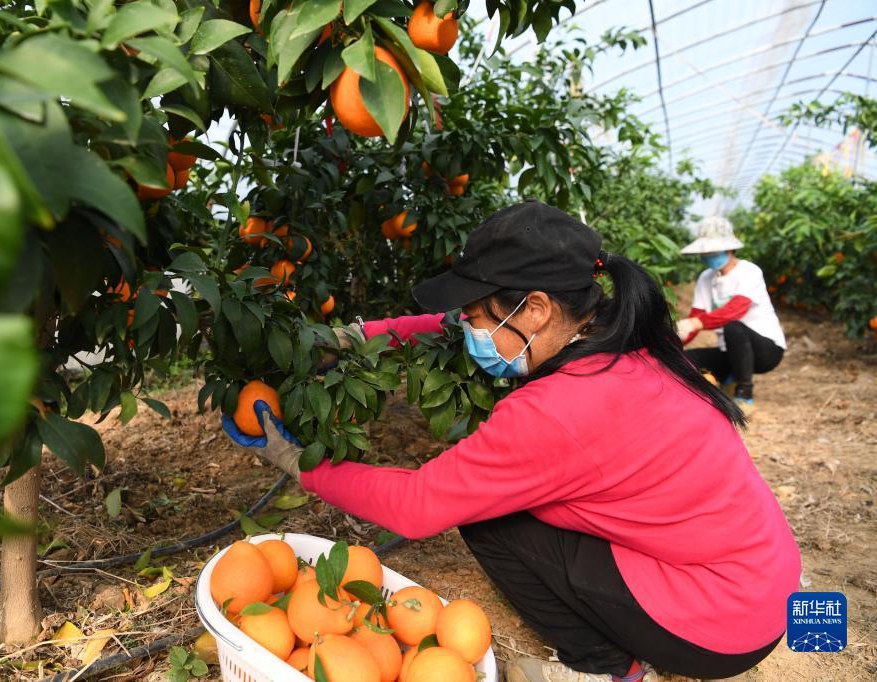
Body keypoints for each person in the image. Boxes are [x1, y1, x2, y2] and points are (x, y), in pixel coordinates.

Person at [223, 201, 801, 682]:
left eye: (476, 315)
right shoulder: (622, 335)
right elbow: (449, 328)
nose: (467, 328)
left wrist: (299, 464)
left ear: (537, 308)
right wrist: (357, 339)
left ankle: (603, 667)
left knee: (487, 517)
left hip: (721, 624)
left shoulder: (559, 410)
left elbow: (418, 505)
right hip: (760, 576)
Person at [675, 216, 786, 412]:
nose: (708, 255)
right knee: (684, 360)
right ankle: (727, 380)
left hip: (766, 350)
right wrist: (672, 342)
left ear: (728, 248)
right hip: (731, 352)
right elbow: (696, 316)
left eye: (712, 251)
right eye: (705, 252)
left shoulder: (749, 272)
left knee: (733, 327)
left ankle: (744, 394)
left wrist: (696, 323)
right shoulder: (706, 278)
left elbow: (736, 309)